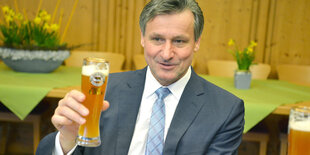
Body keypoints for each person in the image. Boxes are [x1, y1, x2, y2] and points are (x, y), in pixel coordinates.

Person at [36, 0, 245, 154]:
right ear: (143, 38)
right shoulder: (103, 92)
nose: (166, 53)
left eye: (179, 41)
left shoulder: (225, 111)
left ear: (197, 42)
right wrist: (67, 139)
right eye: (157, 39)